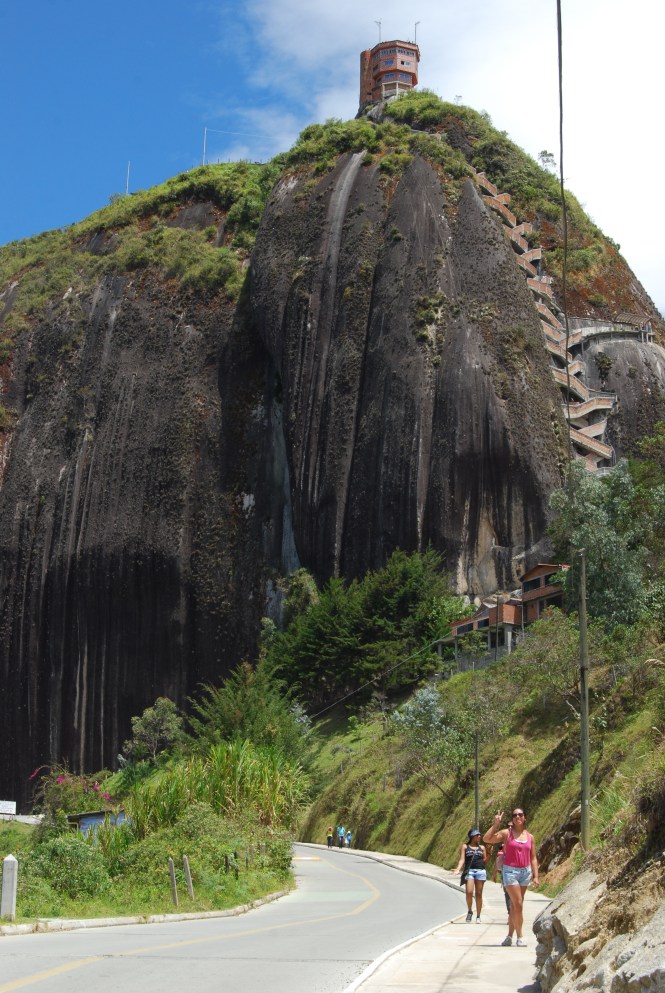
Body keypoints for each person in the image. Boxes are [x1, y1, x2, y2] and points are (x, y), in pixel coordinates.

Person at [484, 807, 539, 947]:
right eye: (515, 815)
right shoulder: (506, 834)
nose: (517, 817)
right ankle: (520, 937)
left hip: (525, 872)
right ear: (512, 819)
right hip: (510, 871)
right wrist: (496, 823)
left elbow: (533, 858)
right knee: (518, 903)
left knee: (515, 906)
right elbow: (487, 838)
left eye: (520, 814)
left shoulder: (530, 837)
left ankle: (509, 936)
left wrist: (535, 876)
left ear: (525, 817)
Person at [455, 828, 487, 923]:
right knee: (469, 892)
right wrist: (458, 869)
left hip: (480, 871)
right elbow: (462, 860)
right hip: (470, 871)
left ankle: (478, 915)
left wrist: (488, 853)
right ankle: (469, 911)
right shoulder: (465, 846)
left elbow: (485, 861)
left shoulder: (482, 848)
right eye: (478, 835)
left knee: (479, 894)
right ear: (473, 836)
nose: (479, 837)